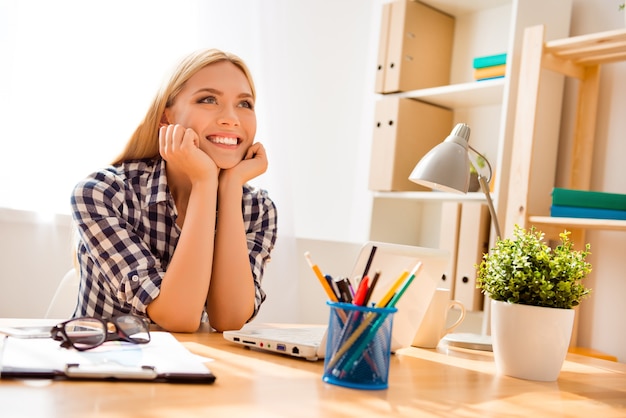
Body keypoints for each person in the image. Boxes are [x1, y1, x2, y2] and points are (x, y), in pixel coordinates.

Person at [70, 49, 277, 333]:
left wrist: (229, 189)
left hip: (196, 370)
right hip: (103, 367)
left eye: (245, 104)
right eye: (208, 100)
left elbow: (229, 319)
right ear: (166, 118)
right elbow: (178, 317)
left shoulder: (258, 209)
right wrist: (205, 182)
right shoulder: (103, 194)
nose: (232, 118)